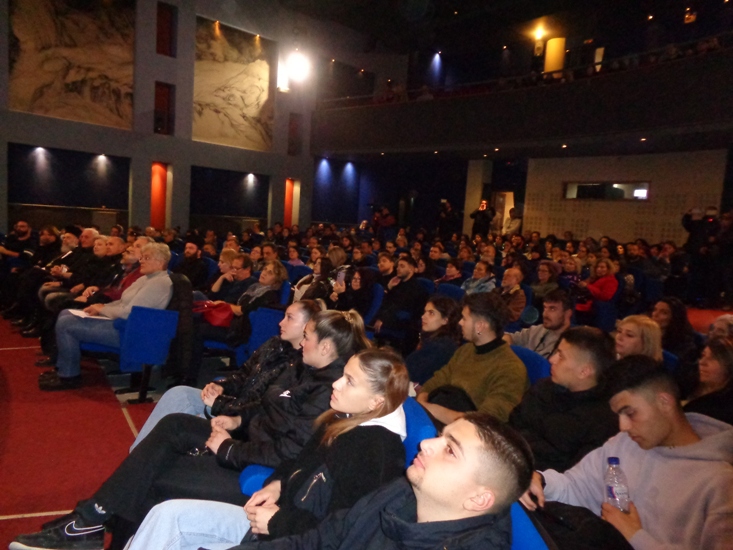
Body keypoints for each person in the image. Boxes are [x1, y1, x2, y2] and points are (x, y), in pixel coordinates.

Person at [10, 310, 371, 550]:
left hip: (258, 467)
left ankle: (90, 521)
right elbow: (266, 407)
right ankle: (92, 519)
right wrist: (238, 421)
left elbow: (289, 452)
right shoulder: (305, 368)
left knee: (156, 476)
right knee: (173, 427)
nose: (301, 341)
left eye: (307, 336)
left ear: (326, 346)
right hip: (249, 444)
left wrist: (229, 447)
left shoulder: (327, 391)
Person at [126, 348, 410, 549]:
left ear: (375, 402)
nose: (336, 383)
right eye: (343, 374)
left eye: (349, 381)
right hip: (277, 523)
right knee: (165, 515)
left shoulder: (374, 452)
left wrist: (278, 522)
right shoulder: (342, 418)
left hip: (287, 536)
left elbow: (343, 534)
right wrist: (277, 484)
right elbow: (299, 462)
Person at [520, 355, 733, 550]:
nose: (623, 426)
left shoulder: (721, 482)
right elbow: (576, 486)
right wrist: (541, 481)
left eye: (630, 413)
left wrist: (634, 535)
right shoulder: (624, 444)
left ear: (664, 402)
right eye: (619, 416)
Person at [131, 300, 322, 449]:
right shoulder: (274, 344)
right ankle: (138, 451)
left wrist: (220, 404)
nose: (281, 322)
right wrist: (221, 386)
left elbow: (263, 409)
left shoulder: (300, 366)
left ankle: (141, 455)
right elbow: (243, 375)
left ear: (307, 325)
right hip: (233, 403)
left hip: (243, 422)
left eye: (289, 318)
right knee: (178, 393)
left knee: (180, 414)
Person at [37, 243, 173, 391]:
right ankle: (62, 368)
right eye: (142, 257)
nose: (141, 261)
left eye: (146, 258)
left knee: (66, 325)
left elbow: (129, 313)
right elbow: (121, 302)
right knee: (65, 314)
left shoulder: (159, 283)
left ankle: (68, 376)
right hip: (122, 324)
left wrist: (102, 310)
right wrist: (101, 307)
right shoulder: (146, 279)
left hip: (131, 333)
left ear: (160, 262)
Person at [509, 327, 618, 472]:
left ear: (584, 371)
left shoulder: (604, 421)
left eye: (561, 356)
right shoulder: (544, 388)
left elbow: (574, 473)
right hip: (510, 462)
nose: (551, 360)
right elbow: (512, 426)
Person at [418, 292, 527, 425]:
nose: (460, 322)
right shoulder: (466, 350)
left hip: (465, 431)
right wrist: (422, 399)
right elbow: (440, 378)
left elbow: (486, 421)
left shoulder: (510, 369)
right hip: (439, 415)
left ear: (480, 326)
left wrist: (431, 409)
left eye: (464, 319)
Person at [373, 256, 429, 354]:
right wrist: (388, 287)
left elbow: (399, 306)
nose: (398, 268)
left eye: (402, 266)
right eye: (398, 266)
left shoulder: (416, 288)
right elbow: (386, 302)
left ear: (411, 269)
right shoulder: (397, 283)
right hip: (393, 316)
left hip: (405, 322)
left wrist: (382, 318)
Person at [405, 296, 461, 386]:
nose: (423, 317)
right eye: (425, 312)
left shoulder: (440, 347)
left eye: (431, 313)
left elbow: (411, 374)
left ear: (445, 320)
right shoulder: (433, 339)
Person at [504, 289, 573, 359]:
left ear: (567, 314)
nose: (545, 314)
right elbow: (509, 337)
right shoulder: (538, 330)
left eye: (552, 309)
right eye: (545, 308)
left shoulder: (572, 344)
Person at [683, 337, 733, 425]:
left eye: (712, 358)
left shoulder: (727, 406)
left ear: (728, 365)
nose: (702, 362)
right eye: (703, 355)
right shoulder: (689, 384)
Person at [574, 258, 618, 325]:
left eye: (602, 267)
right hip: (584, 304)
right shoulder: (592, 278)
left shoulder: (611, 280)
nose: (599, 269)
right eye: (597, 267)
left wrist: (588, 286)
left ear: (608, 269)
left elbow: (605, 296)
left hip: (596, 309)